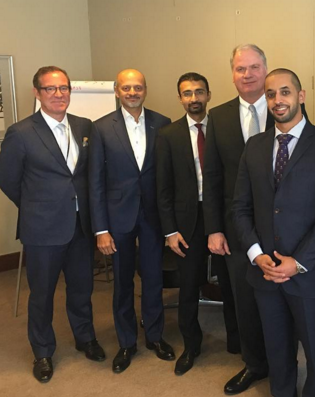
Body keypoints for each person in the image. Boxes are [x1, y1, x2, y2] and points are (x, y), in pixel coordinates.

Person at [233, 68, 315, 397]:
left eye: (285, 92)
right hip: (265, 271)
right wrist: (256, 255)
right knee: (277, 349)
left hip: (308, 272)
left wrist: (296, 263)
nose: (277, 100)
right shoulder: (254, 146)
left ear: (300, 96)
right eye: (270, 94)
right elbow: (240, 207)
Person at [0, 66, 105, 383]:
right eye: (50, 89)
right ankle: (43, 351)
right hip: (42, 229)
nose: (58, 94)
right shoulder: (21, 132)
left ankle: (85, 338)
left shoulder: (84, 125)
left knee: (82, 288)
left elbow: (86, 174)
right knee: (42, 294)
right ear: (37, 93)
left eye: (64, 88)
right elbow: (8, 180)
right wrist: (37, 206)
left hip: (80, 226)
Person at [88, 69, 173, 374]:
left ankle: (155, 336)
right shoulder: (101, 128)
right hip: (117, 218)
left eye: (138, 87)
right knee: (123, 283)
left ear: (145, 90)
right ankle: (126, 342)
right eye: (126, 88)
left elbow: (167, 175)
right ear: (117, 91)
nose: (132, 92)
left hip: (152, 216)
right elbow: (95, 181)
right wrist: (101, 229)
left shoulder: (162, 123)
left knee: (153, 279)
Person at [203, 44, 272, 394]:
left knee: (281, 298)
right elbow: (212, 176)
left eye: (254, 67)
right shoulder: (218, 116)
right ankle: (254, 364)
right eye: (241, 68)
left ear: (265, 69)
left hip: (280, 226)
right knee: (244, 300)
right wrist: (214, 228)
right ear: (232, 74)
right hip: (234, 228)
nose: (248, 74)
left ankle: (282, 361)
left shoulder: (285, 107)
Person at [156, 72, 224, 375]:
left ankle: (238, 342)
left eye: (199, 92)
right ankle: (191, 344)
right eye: (187, 93)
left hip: (222, 216)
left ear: (208, 94)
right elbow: (163, 188)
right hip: (187, 221)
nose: (194, 98)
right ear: (180, 98)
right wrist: (170, 231)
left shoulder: (223, 129)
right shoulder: (168, 135)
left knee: (232, 283)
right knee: (187, 288)